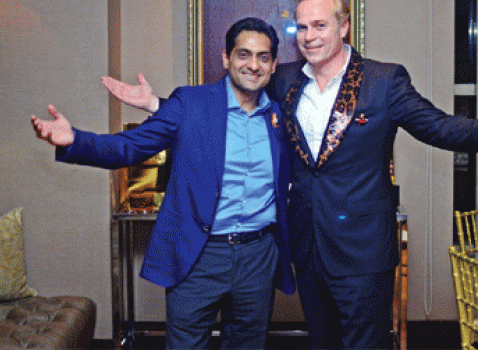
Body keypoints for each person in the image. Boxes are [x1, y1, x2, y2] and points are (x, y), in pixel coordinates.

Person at [103, 0, 478, 349]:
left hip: (362, 250)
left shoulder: (384, 80)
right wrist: (159, 105)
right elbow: (225, 108)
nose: (309, 36)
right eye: (301, 26)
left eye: (320, 25)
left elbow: (439, 127)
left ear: (344, 26)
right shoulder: (283, 79)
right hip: (308, 247)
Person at [31, 17, 296, 350]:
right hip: (198, 254)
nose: (253, 65)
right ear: (226, 58)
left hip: (259, 256)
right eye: (244, 54)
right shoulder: (190, 103)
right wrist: (75, 139)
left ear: (273, 65)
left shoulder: (281, 116)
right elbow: (130, 146)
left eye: (263, 57)